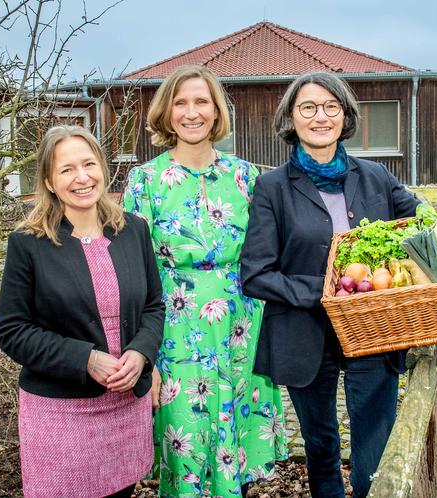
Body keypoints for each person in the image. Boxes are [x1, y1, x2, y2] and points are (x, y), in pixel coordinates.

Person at [239, 72, 437, 498]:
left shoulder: (376, 177)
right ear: (291, 118)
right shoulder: (272, 188)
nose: (320, 116)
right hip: (305, 336)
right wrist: (327, 294)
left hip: (375, 330)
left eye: (331, 106)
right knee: (321, 445)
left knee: (372, 450)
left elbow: (427, 220)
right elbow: (255, 273)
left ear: (345, 115)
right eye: (307, 107)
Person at [122, 65, 287, 497]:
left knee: (236, 448)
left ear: (216, 112)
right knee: (187, 451)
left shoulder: (248, 177)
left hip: (241, 326)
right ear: (167, 111)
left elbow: (273, 251)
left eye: (201, 102)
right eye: (181, 102)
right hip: (175, 331)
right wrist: (143, 351)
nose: (191, 112)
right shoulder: (144, 180)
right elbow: (133, 272)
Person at [0, 125, 164, 498]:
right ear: (50, 181)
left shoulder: (133, 229)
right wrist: (85, 359)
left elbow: (153, 305)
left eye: (89, 164)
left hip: (124, 407)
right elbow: (11, 329)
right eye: (67, 169)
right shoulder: (28, 243)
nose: (82, 177)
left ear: (103, 167)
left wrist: (141, 351)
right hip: (61, 413)